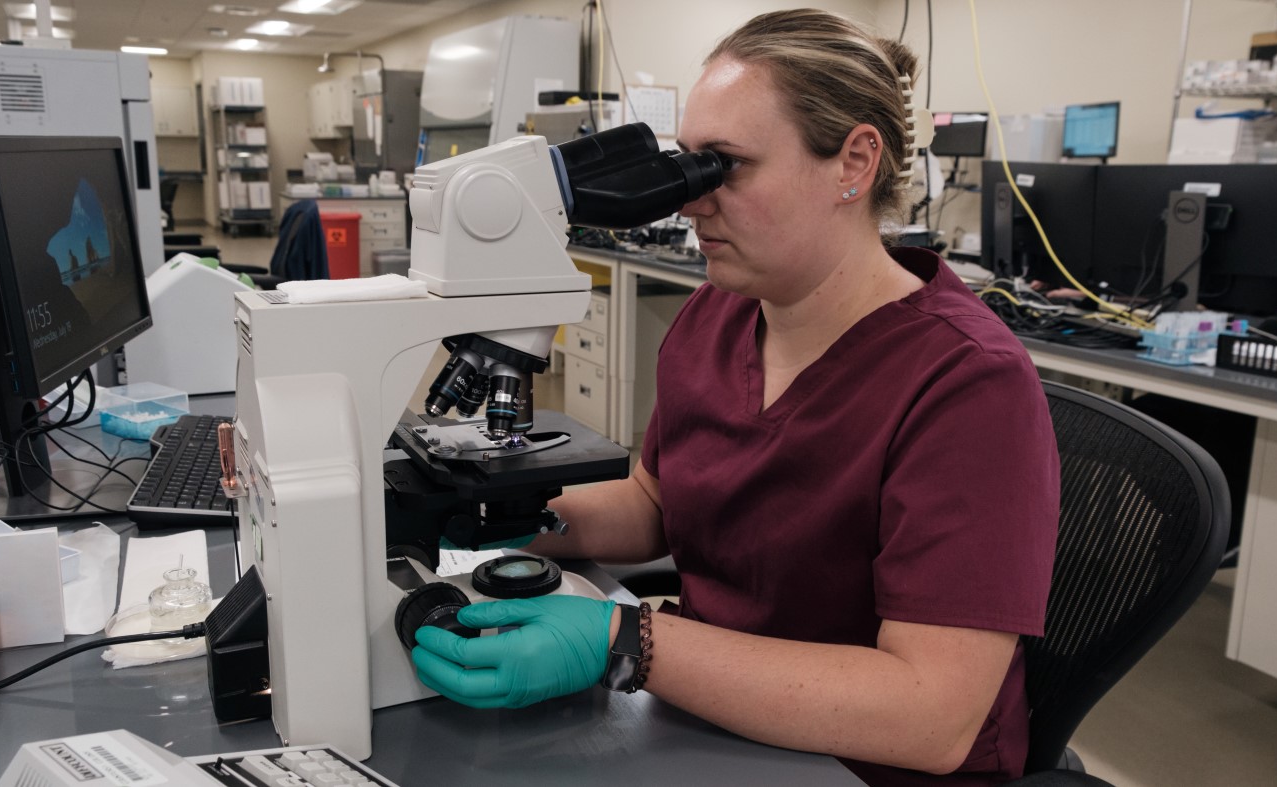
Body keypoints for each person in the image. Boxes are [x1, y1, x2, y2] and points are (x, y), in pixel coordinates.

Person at [410, 9, 1060, 785]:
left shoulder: (967, 382)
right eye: (688, 164)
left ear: (853, 162)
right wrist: (491, 519)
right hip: (712, 717)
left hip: (864, 764)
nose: (689, 202)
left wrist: (626, 639)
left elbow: (931, 713)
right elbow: (658, 499)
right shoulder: (717, 313)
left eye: (725, 167)